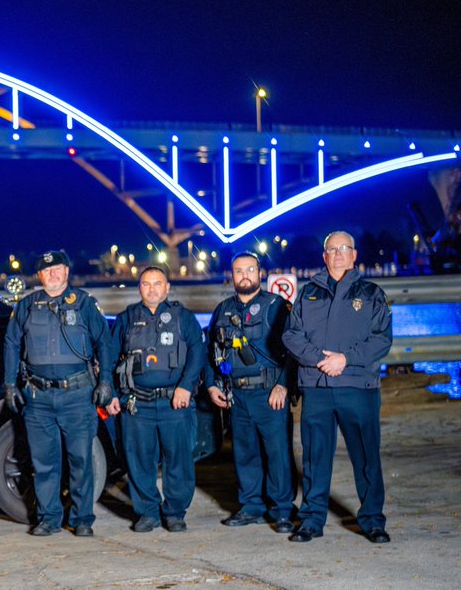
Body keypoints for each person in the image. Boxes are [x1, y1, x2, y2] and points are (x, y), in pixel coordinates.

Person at [282, 231, 392, 544]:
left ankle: (372, 520)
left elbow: (382, 338)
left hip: (357, 387)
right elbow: (292, 336)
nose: (339, 253)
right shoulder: (308, 293)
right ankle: (311, 521)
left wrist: (345, 359)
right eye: (333, 249)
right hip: (317, 387)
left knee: (366, 456)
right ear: (325, 256)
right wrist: (320, 359)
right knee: (315, 458)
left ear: (354, 254)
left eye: (345, 248)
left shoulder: (370, 293)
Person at [3, 250, 116, 537]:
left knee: (80, 460)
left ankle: (82, 519)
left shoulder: (85, 304)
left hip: (78, 396)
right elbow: (11, 344)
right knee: (44, 463)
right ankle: (49, 518)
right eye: (46, 270)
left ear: (66, 272)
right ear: (39, 276)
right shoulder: (27, 305)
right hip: (38, 398)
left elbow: (104, 343)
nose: (52, 274)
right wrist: (9, 384)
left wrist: (105, 382)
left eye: (58, 269)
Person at [110, 266, 207, 533]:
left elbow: (198, 353)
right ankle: (148, 513)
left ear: (167, 288)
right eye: (146, 284)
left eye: (157, 284)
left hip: (173, 403)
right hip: (136, 404)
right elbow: (109, 356)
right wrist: (112, 393)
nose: (152, 289)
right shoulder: (127, 319)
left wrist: (185, 387)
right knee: (140, 461)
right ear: (139, 288)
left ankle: (175, 512)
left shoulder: (183, 318)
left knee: (179, 460)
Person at [205, 253, 295, 533]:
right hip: (238, 396)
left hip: (270, 394)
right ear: (230, 275)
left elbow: (294, 351)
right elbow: (211, 351)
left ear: (260, 273)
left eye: (250, 270)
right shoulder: (222, 310)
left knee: (278, 454)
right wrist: (211, 384)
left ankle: (282, 510)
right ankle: (251, 506)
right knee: (244, 454)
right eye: (238, 271)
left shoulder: (276, 306)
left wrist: (284, 384)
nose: (244, 275)